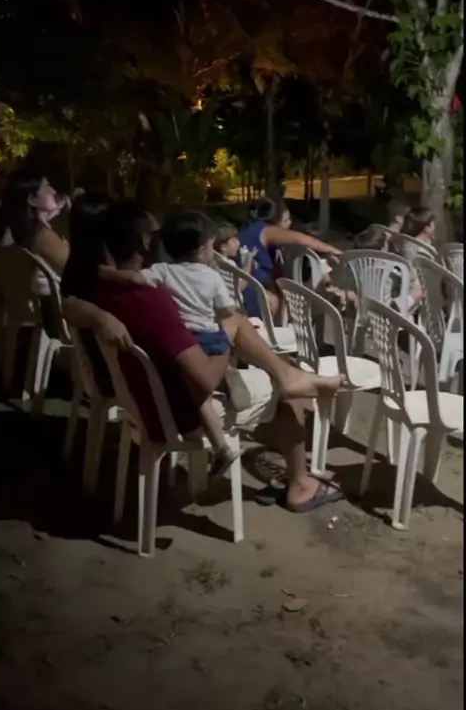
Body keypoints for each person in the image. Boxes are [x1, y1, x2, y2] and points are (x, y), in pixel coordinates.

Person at [63, 199, 347, 513]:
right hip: (174, 410)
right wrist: (226, 338)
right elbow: (206, 379)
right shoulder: (151, 302)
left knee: (243, 339)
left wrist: (95, 313)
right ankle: (301, 485)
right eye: (157, 235)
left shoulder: (99, 290)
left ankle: (284, 377)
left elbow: (69, 304)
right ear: (144, 241)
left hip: (137, 394)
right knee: (289, 394)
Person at [142, 210, 240, 472]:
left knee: (198, 395)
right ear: (200, 250)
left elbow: (139, 280)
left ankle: (217, 446)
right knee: (201, 392)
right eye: (211, 245)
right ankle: (228, 378)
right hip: (213, 340)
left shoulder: (162, 271)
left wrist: (110, 274)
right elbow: (227, 309)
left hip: (183, 342)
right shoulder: (211, 276)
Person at [238, 197, 342, 318]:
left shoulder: (249, 228)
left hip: (242, 281)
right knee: (272, 301)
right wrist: (331, 249)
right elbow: (300, 239)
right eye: (286, 220)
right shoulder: (266, 230)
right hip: (247, 288)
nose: (290, 223)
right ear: (274, 223)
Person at [0, 166, 72, 276]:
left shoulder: (21, 231)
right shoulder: (41, 236)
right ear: (32, 199)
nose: (53, 191)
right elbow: (78, 266)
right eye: (46, 187)